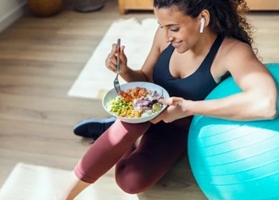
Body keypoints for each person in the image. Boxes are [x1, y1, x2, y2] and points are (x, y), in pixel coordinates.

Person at [63, 0, 277, 199]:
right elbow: (146, 79)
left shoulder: (232, 52)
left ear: (203, 17)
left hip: (180, 129)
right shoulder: (163, 36)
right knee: (132, 126)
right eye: (162, 26)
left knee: (131, 181)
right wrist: (125, 70)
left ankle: (110, 129)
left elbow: (266, 105)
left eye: (173, 28)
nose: (166, 36)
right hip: (147, 114)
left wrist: (187, 107)